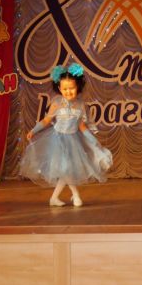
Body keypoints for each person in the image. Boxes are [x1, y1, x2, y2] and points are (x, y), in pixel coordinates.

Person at [19, 63, 112, 207]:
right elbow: (46, 120)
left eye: (72, 88)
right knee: (66, 170)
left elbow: (82, 127)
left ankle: (54, 199)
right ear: (59, 88)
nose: (68, 92)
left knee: (66, 171)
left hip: (73, 141)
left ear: (78, 87)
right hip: (58, 141)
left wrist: (94, 141)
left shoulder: (80, 105)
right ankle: (76, 195)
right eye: (65, 89)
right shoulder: (57, 103)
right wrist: (34, 130)